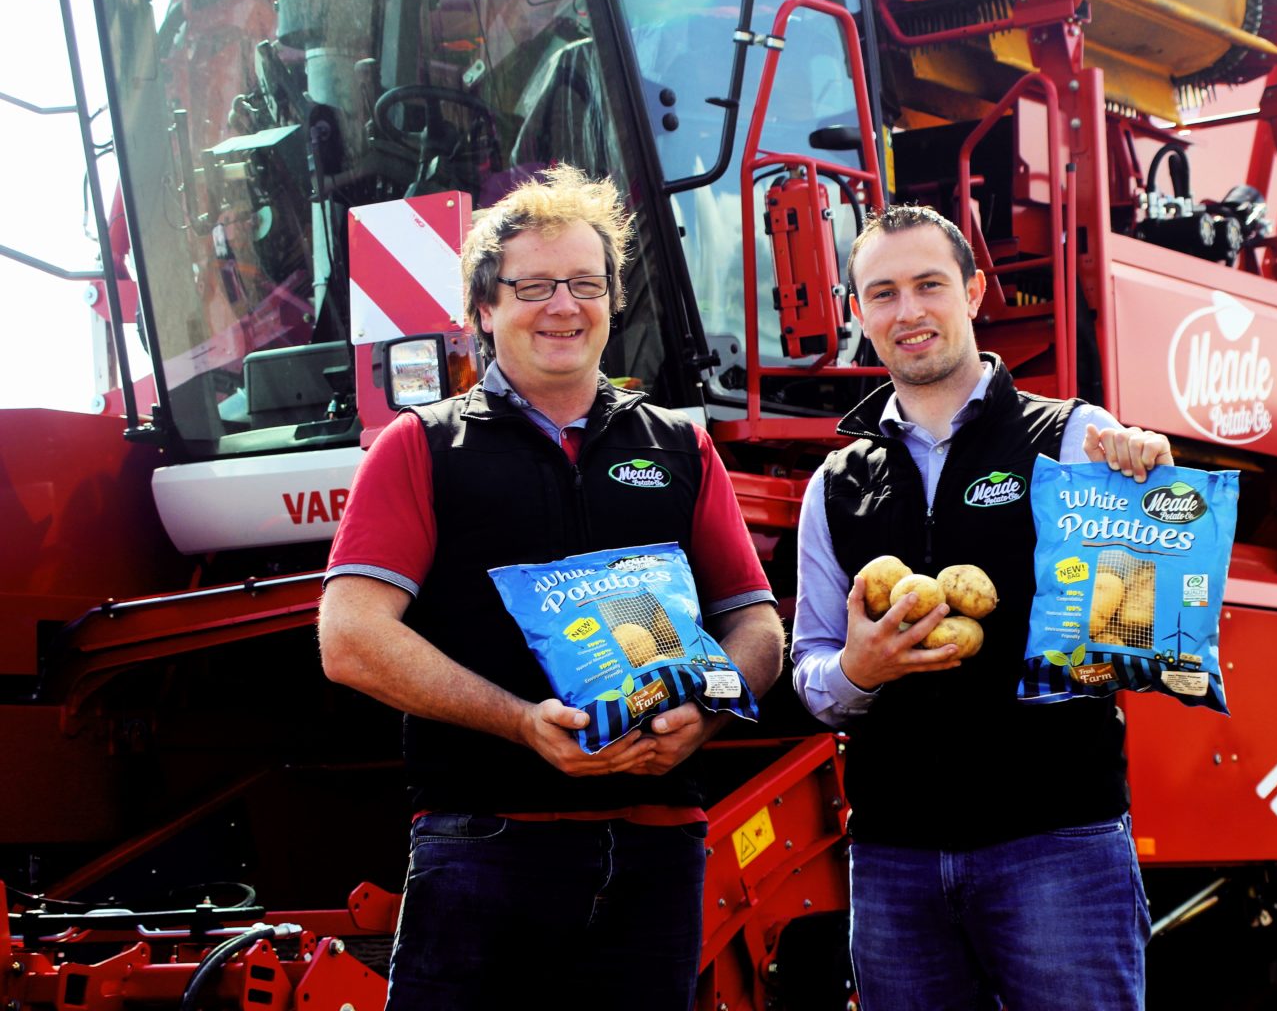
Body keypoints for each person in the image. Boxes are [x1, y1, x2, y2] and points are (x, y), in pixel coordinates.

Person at [318, 164, 784, 1010]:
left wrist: (708, 714)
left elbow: (755, 623)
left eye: (585, 283)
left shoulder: (682, 445)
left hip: (658, 848)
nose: (563, 306)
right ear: (484, 309)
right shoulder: (421, 446)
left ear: (614, 300)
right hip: (485, 845)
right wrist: (522, 724)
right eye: (532, 285)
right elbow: (350, 637)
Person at [791, 205, 1172, 1010]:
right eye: (883, 293)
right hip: (894, 861)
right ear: (859, 313)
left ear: (973, 291)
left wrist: (1149, 492)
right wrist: (858, 670)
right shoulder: (834, 487)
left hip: (1057, 848)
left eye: (929, 285)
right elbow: (810, 663)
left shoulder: (1072, 438)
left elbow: (1139, 622)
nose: (909, 311)